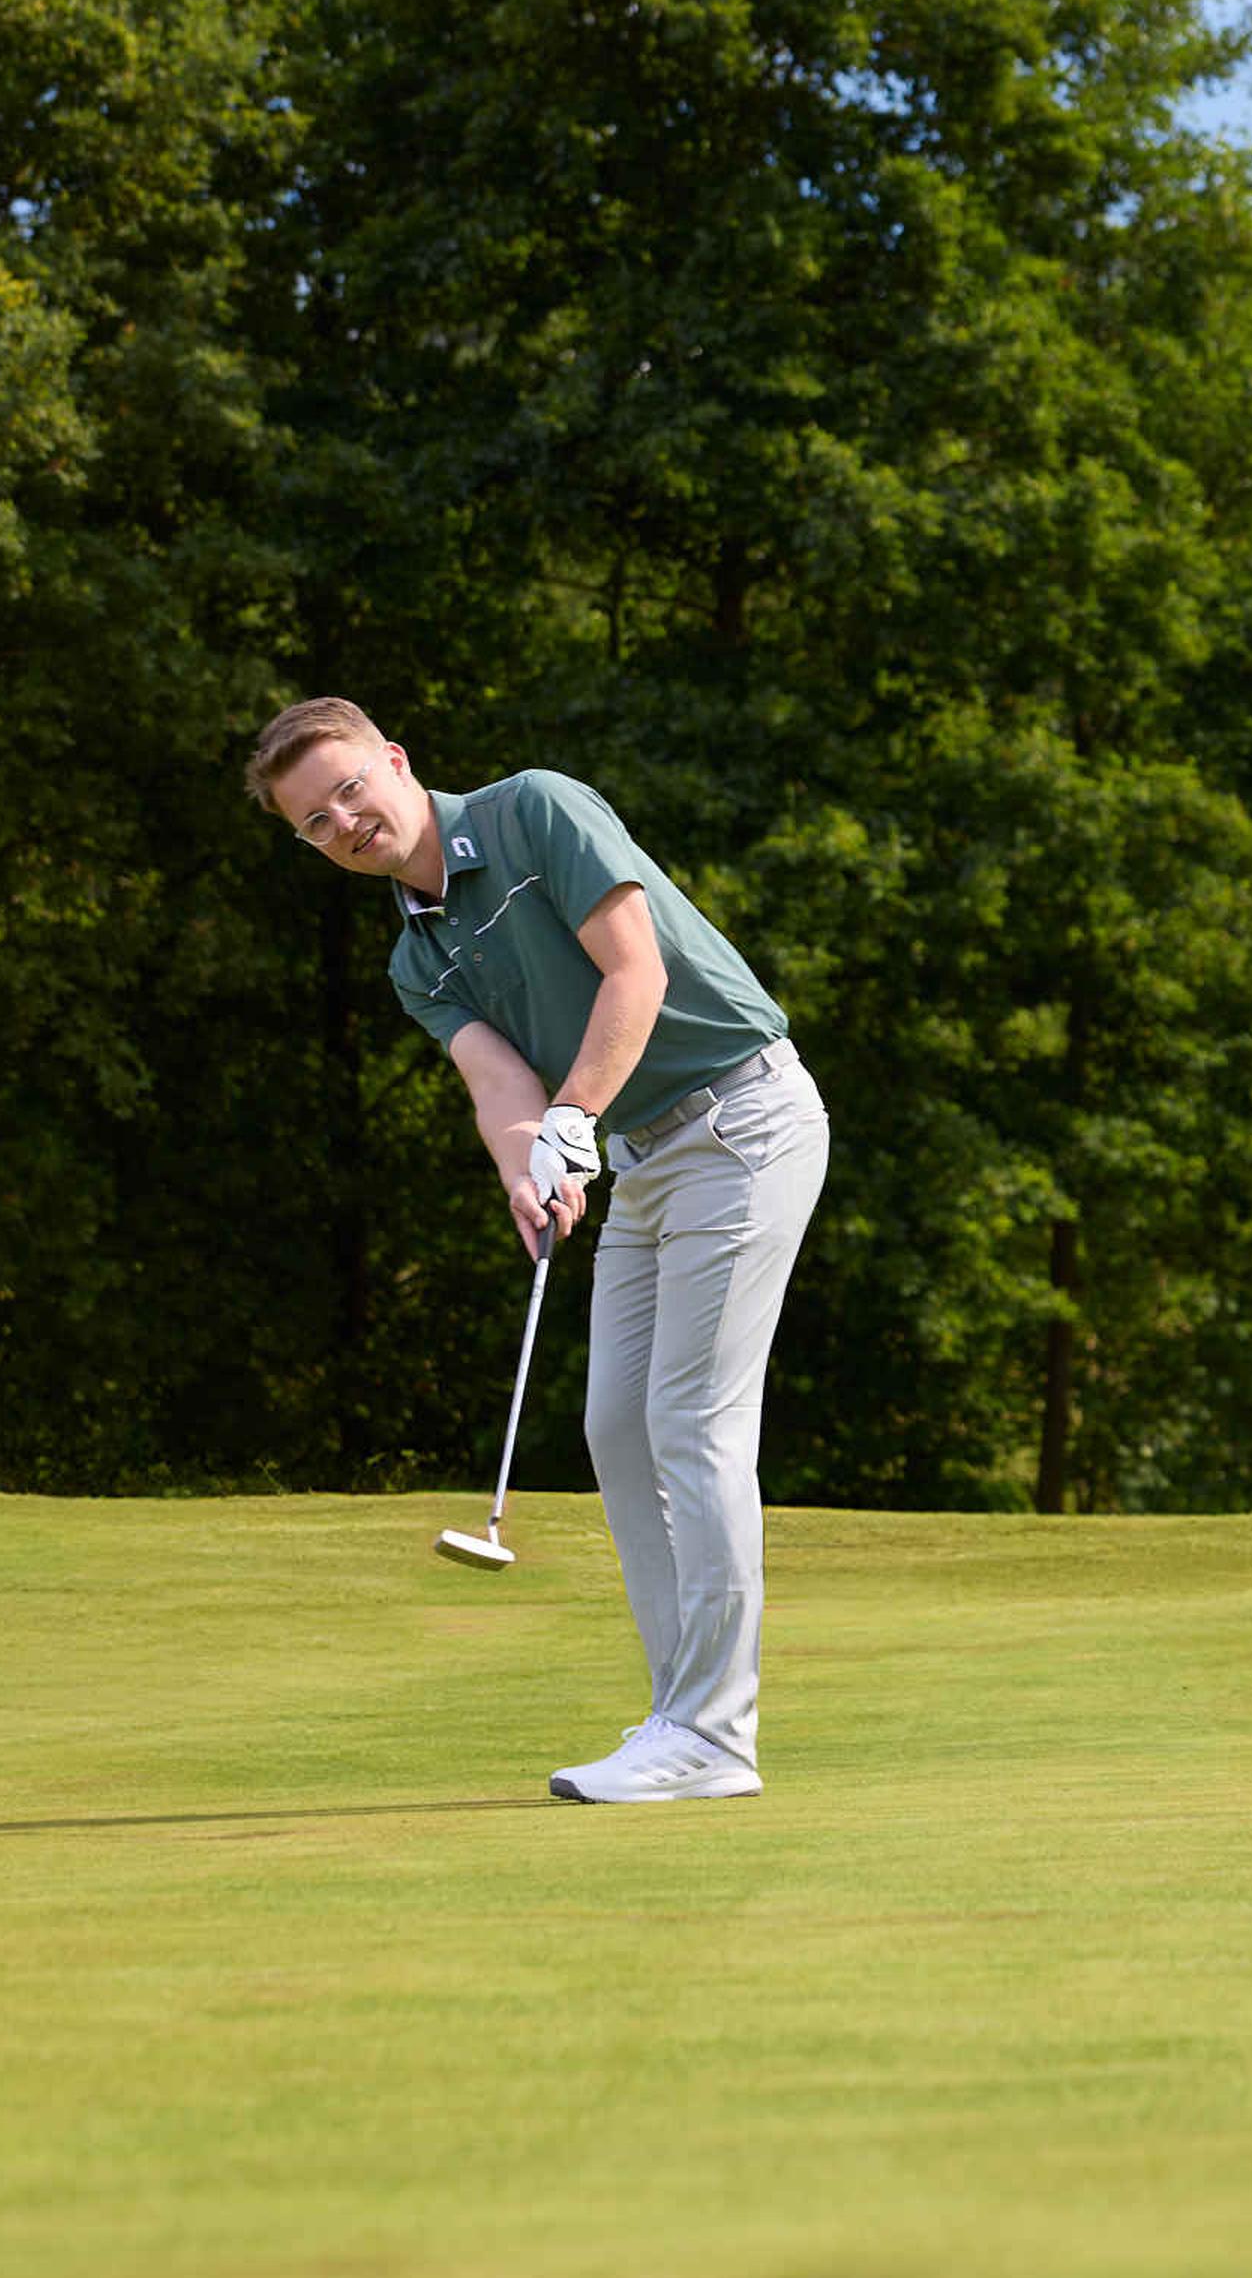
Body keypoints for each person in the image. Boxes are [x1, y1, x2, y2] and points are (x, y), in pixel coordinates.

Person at [246, 698, 829, 1804]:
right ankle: (679, 1713)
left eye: (352, 789)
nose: (346, 821)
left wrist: (574, 1117)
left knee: (691, 1422)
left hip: (742, 1118)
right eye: (315, 822)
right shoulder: (417, 959)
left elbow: (636, 974)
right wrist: (530, 1162)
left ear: (396, 762)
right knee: (615, 1424)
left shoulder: (535, 812)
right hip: (650, 1155)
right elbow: (499, 1086)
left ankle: (713, 1737)